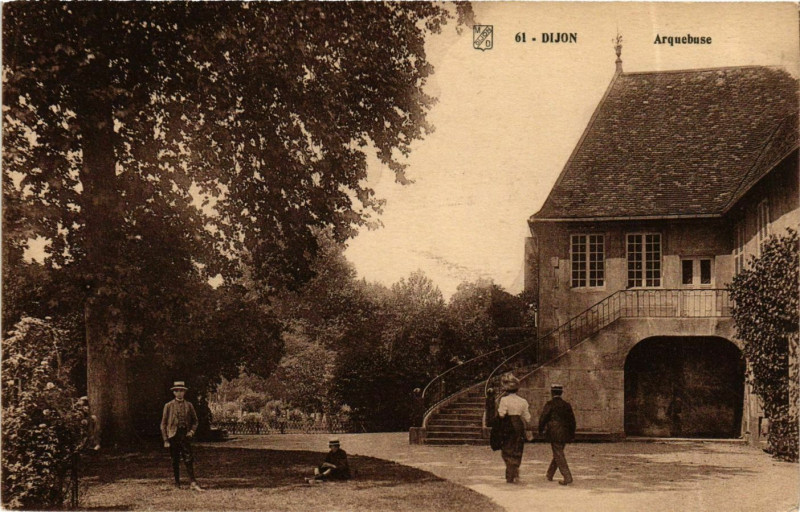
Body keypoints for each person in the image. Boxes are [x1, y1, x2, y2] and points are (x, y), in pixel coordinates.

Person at [161, 380, 203, 491]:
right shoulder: (168, 406)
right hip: (173, 435)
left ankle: (193, 482)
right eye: (177, 391)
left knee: (188, 458)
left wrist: (192, 432)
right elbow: (163, 423)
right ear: (174, 392)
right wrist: (166, 439)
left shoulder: (189, 405)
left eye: (181, 391)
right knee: (175, 459)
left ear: (184, 392)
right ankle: (177, 483)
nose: (179, 393)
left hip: (185, 435)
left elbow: (195, 421)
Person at [496, 373, 531, 484]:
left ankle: (510, 474)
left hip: (508, 424)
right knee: (517, 448)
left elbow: (501, 414)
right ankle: (514, 469)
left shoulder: (504, 400)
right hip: (519, 425)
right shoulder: (523, 401)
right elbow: (527, 417)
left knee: (506, 449)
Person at [538, 384, 576, 485]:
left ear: (552, 393)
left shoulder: (550, 404)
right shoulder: (567, 405)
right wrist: (572, 434)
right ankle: (550, 474)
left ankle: (567, 477)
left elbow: (543, 418)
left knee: (558, 453)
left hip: (554, 432)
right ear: (561, 393)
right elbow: (572, 421)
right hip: (565, 432)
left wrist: (540, 430)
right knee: (558, 452)